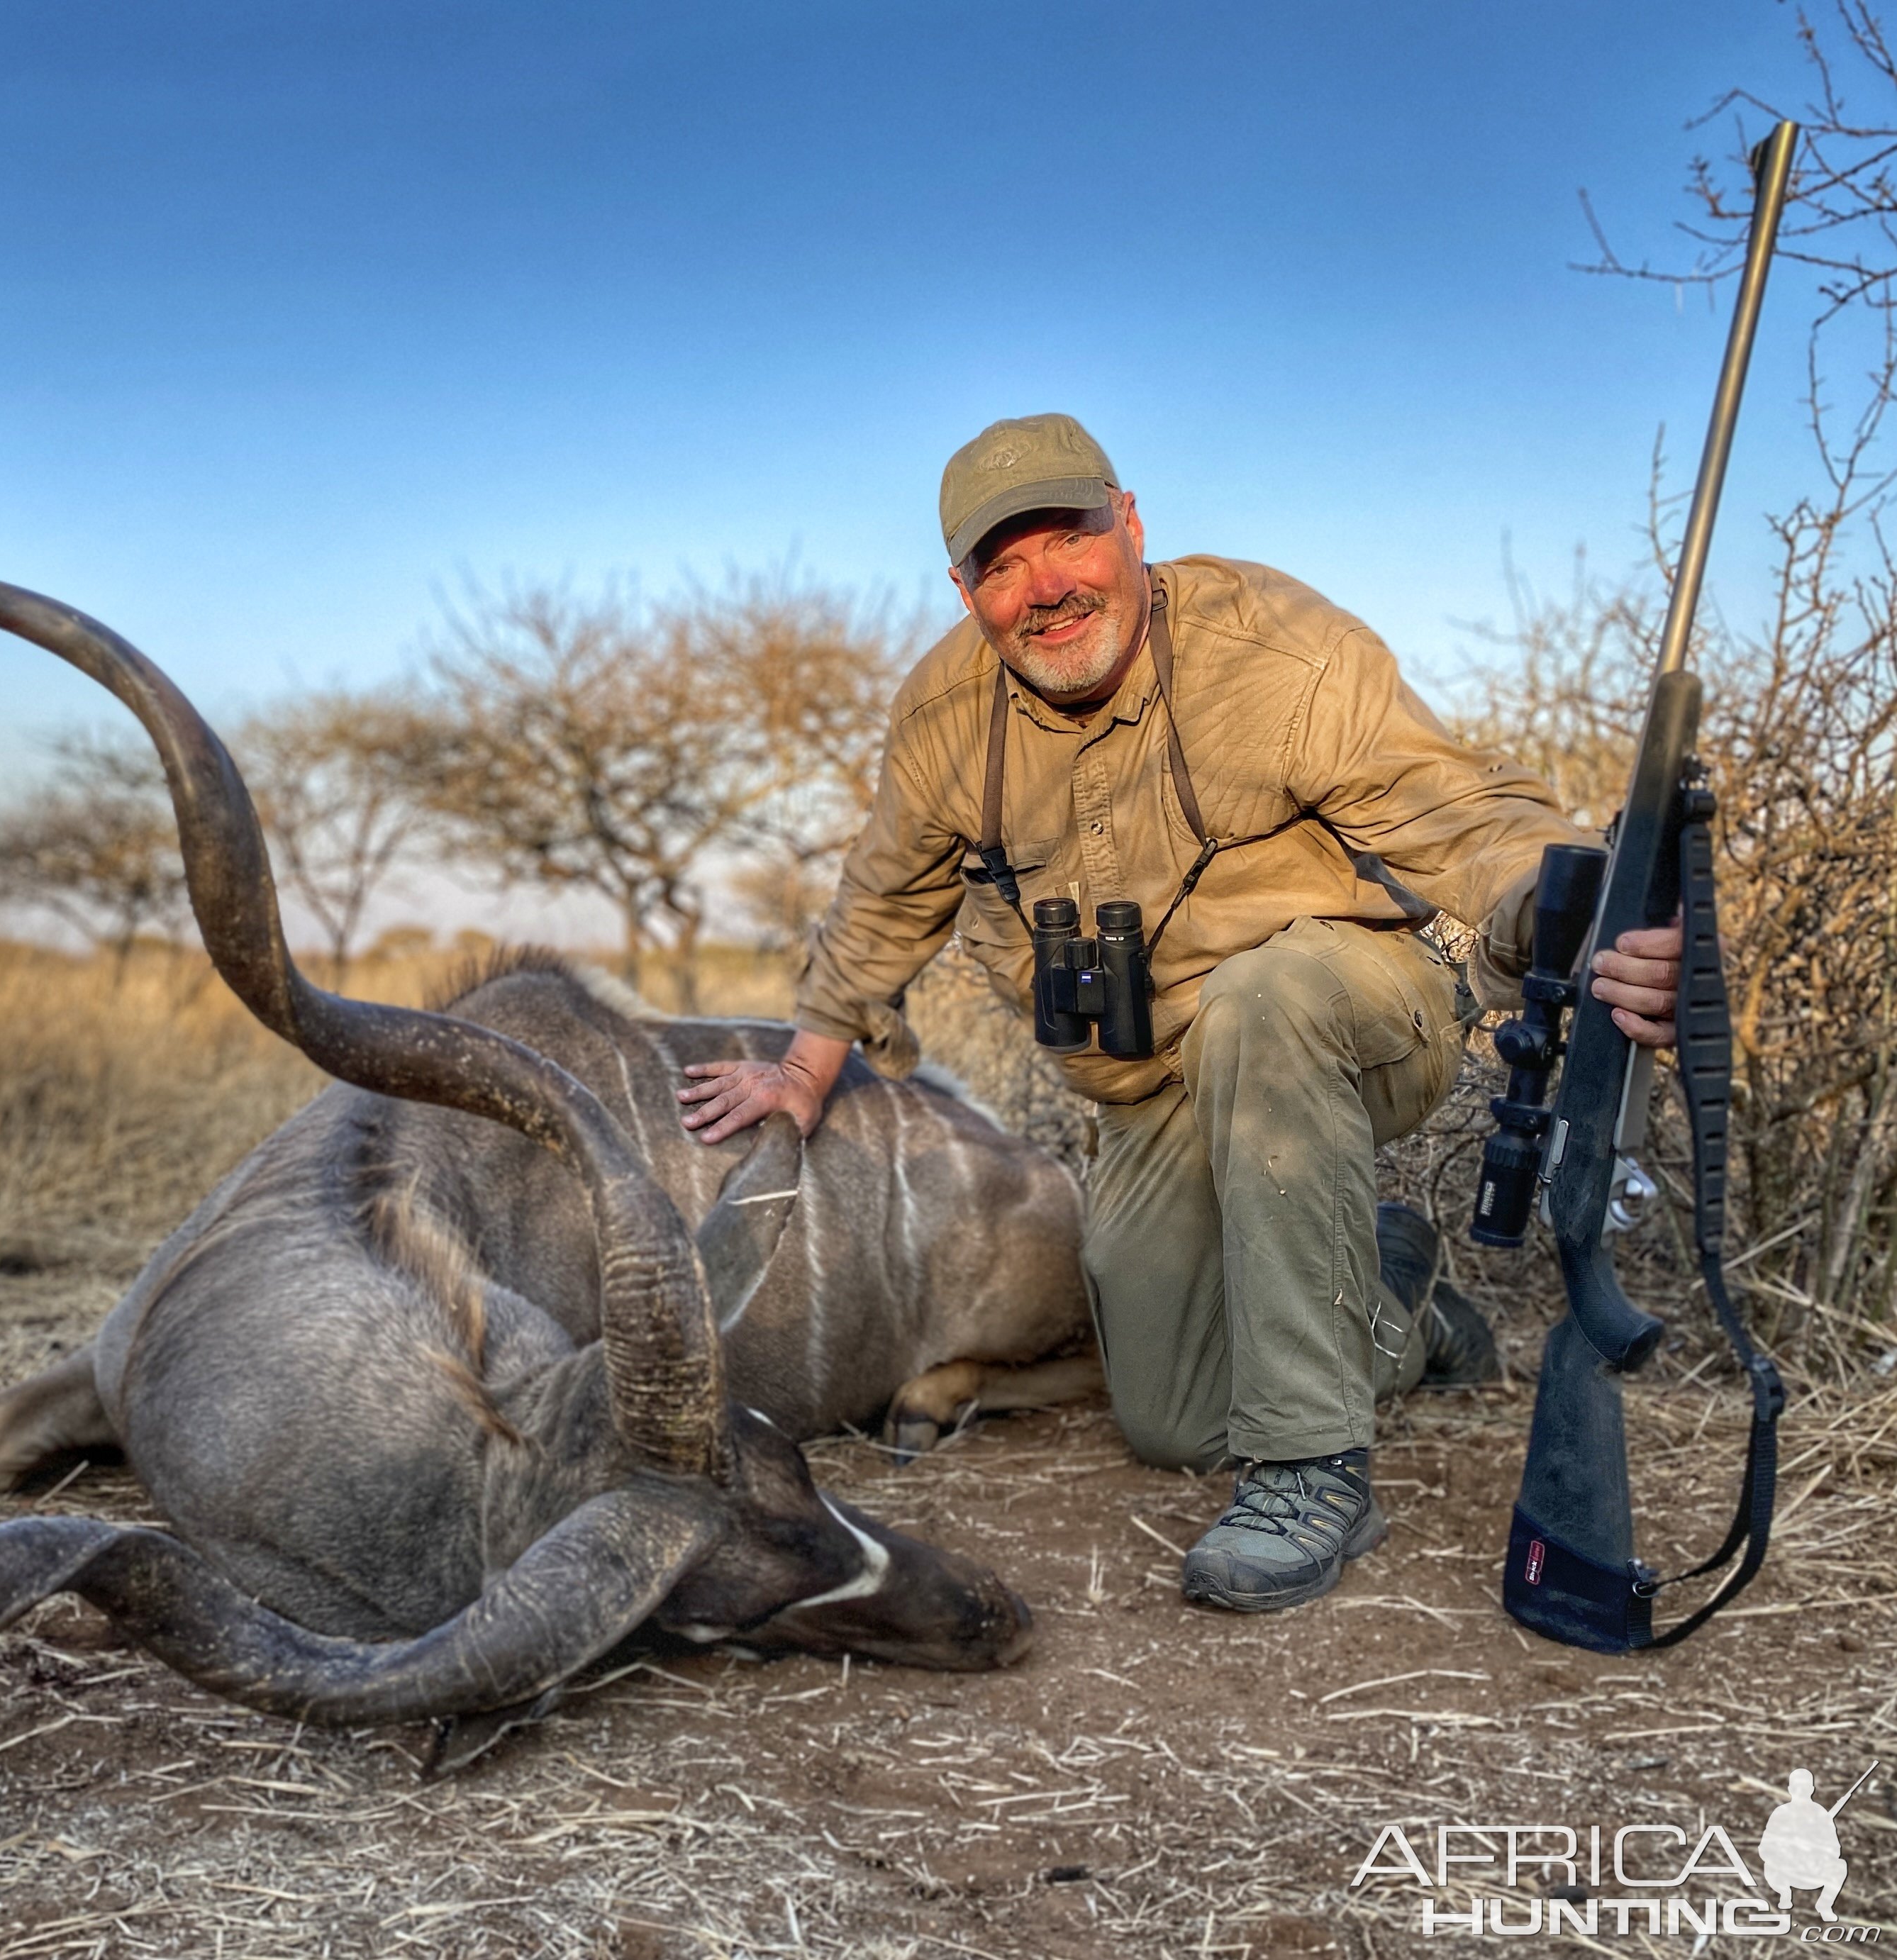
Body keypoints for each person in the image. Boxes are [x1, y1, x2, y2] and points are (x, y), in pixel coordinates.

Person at [677, 414, 1686, 1613]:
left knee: (1265, 991)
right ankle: (1399, 1297)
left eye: (1068, 538)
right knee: (1166, 1416)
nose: (1043, 588)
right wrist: (802, 1063)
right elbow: (883, 893)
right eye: (1000, 566)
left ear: (1131, 523)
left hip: (1346, 1015)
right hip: (1147, 1083)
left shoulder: (1275, 648)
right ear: (962, 589)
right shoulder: (943, 716)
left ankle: (1311, 1468)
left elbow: (1468, 823)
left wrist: (1572, 923)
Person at [1759, 1769, 1848, 1919]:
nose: (1801, 1792)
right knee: (1770, 1866)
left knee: (1840, 1866)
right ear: (1790, 1790)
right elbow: (1765, 1848)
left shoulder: (1821, 1814)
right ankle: (1785, 1895)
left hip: (1813, 1870)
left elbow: (1835, 1849)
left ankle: (1825, 1905)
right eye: (1797, 1788)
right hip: (1787, 1870)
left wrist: (1816, 1848)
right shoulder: (1781, 1813)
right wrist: (1788, 1848)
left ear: (1812, 1790)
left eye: (1805, 1788)